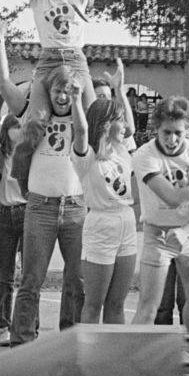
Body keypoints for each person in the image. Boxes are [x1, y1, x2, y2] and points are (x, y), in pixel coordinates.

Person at [130, 97, 189, 340]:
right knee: (148, 305)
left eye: (178, 133)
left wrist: (185, 232)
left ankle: (188, 349)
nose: (172, 140)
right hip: (157, 233)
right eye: (166, 133)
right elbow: (173, 198)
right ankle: (132, 358)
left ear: (188, 130)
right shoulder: (145, 155)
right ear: (156, 129)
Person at [8, 65, 88, 345]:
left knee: (77, 280)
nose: (63, 96)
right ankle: (22, 339)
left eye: (69, 91)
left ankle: (71, 338)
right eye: (57, 90)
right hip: (40, 207)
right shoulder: (35, 120)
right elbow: (20, 165)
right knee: (32, 279)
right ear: (48, 93)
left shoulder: (82, 121)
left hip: (76, 207)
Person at [73, 95, 140, 324]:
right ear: (105, 124)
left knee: (117, 303)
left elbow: (131, 130)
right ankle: (88, 358)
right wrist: (75, 99)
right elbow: (82, 130)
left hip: (127, 221)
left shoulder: (121, 149)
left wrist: (120, 90)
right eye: (120, 120)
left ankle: (115, 357)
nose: (126, 126)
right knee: (93, 304)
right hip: (101, 223)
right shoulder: (87, 156)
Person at [0, 112, 27, 347]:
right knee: (5, 275)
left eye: (23, 127)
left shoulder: (29, 154)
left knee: (29, 273)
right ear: (7, 129)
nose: (19, 130)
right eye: (16, 126)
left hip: (27, 212)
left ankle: (28, 325)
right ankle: (3, 325)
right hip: (4, 213)